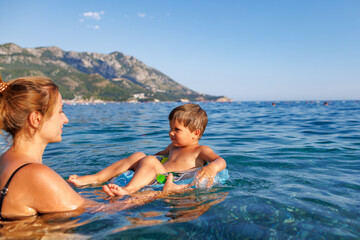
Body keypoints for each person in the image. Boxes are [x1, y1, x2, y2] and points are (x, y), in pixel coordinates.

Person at [69, 103, 227, 197]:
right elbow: (156, 157)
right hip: (157, 176)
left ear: (195, 134)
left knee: (149, 160)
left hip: (170, 180)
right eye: (170, 128)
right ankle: (96, 178)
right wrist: (141, 162)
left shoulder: (200, 150)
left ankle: (128, 190)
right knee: (139, 155)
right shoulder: (173, 146)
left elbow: (220, 161)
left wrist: (212, 168)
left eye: (176, 130)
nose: (170, 133)